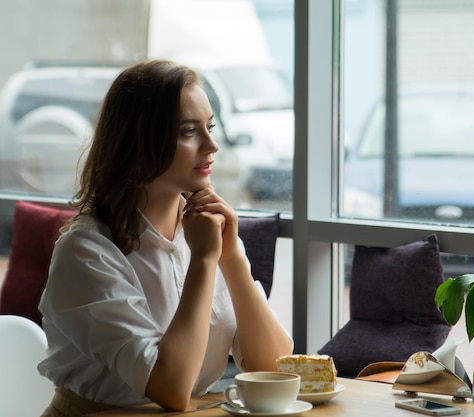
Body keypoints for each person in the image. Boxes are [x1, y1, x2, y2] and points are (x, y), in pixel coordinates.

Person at [37, 59, 293, 417]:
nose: (212, 145)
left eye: (211, 126)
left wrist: (232, 259)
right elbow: (171, 389)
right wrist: (205, 261)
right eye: (189, 131)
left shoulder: (205, 232)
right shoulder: (86, 252)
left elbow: (276, 368)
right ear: (139, 143)